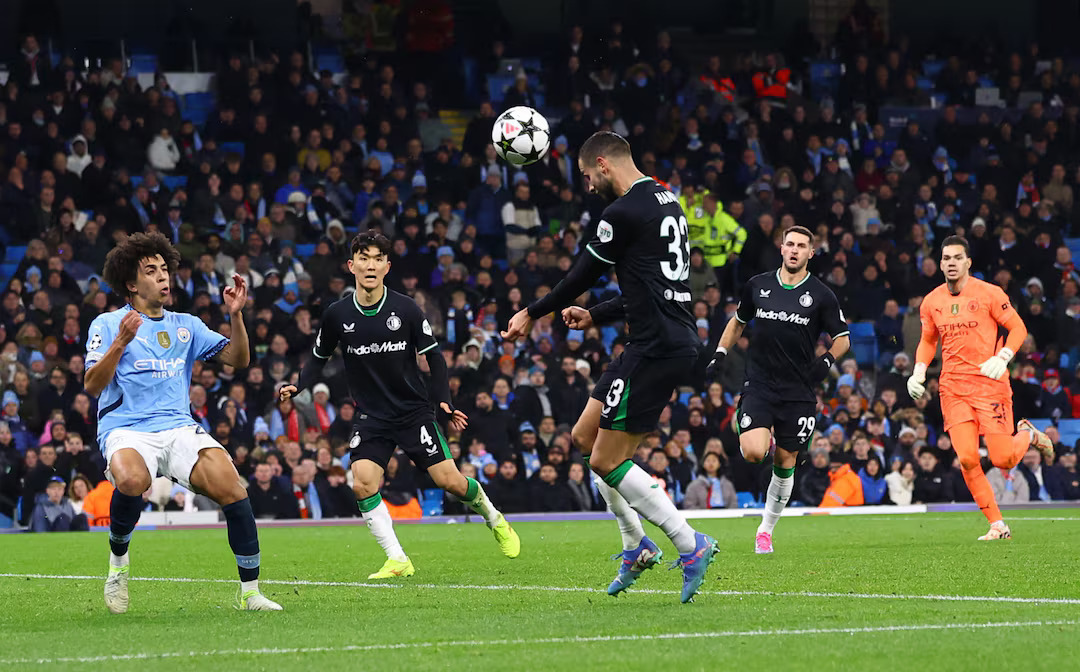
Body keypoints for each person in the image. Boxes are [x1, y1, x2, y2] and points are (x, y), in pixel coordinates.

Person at [502, 131, 718, 604]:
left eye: (585, 176)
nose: (586, 185)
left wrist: (531, 312)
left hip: (657, 348)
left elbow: (581, 274)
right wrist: (594, 315)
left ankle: (689, 543)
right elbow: (647, 288)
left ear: (602, 163)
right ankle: (635, 545)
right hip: (656, 340)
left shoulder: (621, 212)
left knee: (605, 459)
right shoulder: (667, 201)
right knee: (583, 437)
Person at [280, 231, 519, 579]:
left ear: (387, 266)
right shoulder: (337, 314)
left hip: (412, 411)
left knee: (450, 482)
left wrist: (443, 402)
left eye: (378, 258)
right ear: (351, 266)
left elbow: (435, 359)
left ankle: (494, 518)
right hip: (371, 415)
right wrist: (298, 384)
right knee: (362, 482)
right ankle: (397, 558)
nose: (370, 264)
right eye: (363, 257)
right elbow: (317, 358)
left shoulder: (405, 308)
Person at [85, 232, 281, 613]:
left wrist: (235, 315)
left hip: (178, 427)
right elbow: (93, 384)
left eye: (164, 269)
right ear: (131, 283)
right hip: (127, 429)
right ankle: (119, 565)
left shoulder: (185, 325)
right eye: (151, 271)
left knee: (233, 489)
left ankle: (250, 593)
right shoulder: (108, 323)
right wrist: (121, 342)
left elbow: (239, 360)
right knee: (132, 481)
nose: (163, 277)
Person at [704, 225, 851, 552]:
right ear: (782, 249)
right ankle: (754, 422)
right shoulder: (758, 285)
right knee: (755, 453)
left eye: (802, 246)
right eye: (790, 244)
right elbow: (738, 321)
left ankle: (765, 530)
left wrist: (825, 362)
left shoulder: (822, 295)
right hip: (760, 384)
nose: (795, 250)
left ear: (811, 253)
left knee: (785, 463)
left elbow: (843, 339)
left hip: (799, 390)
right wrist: (720, 351)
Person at [905, 235, 1054, 540]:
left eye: (957, 258)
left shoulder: (988, 293)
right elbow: (929, 340)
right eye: (946, 258)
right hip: (953, 388)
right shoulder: (932, 301)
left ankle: (1027, 433)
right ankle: (997, 524)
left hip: (990, 384)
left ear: (968, 262)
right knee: (969, 458)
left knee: (1003, 459)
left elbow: (1018, 328)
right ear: (940, 263)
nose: (951, 263)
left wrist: (1004, 356)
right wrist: (918, 371)